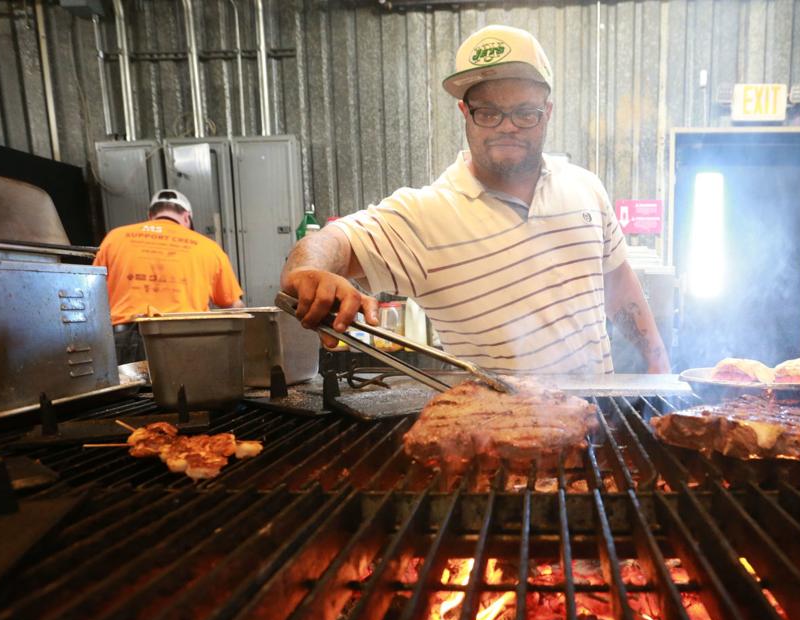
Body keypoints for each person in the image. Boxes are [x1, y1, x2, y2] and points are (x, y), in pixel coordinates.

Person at [281, 25, 670, 375]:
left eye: (525, 113)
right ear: (464, 112)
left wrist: (658, 364)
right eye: (488, 112)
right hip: (492, 441)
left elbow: (619, 287)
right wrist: (308, 272)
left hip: (594, 431)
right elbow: (331, 241)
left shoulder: (586, 188)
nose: (507, 127)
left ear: (547, 112)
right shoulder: (425, 215)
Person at [94, 189, 245, 364]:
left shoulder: (115, 238)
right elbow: (234, 306)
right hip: (187, 340)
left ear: (151, 215)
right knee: (185, 390)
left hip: (125, 342)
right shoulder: (208, 247)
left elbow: (93, 296)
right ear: (187, 217)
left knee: (126, 391)